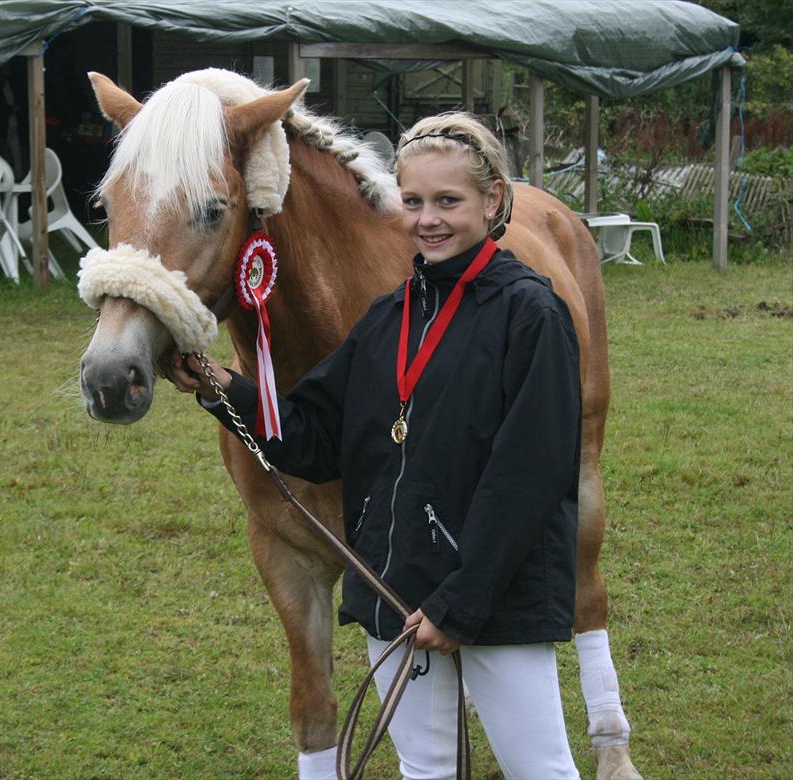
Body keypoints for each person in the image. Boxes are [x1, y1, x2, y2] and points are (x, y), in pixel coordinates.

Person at [165, 112, 583, 780]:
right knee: (424, 765)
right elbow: (315, 438)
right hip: (399, 593)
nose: (429, 219)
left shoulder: (531, 314)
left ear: (493, 200)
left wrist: (460, 604)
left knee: (541, 768)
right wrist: (225, 387)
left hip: (496, 598)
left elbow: (529, 477)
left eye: (449, 201)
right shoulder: (389, 317)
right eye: (413, 201)